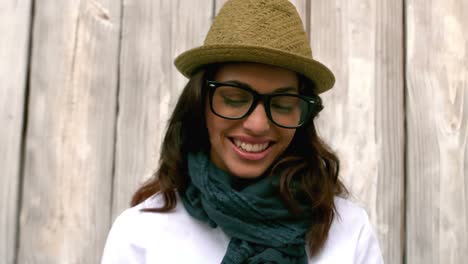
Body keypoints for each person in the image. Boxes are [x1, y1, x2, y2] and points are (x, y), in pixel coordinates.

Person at [101, 0, 384, 263]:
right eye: (235, 98)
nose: (258, 125)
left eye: (283, 104)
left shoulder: (349, 232)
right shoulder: (140, 235)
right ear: (200, 102)